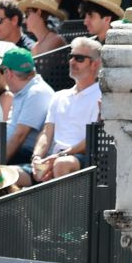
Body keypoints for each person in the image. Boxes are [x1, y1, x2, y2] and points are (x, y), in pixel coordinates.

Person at [30, 36, 101, 182]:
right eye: (71, 57)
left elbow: (92, 139)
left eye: (79, 58)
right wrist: (37, 158)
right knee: (9, 174)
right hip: (55, 158)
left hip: (84, 159)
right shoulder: (59, 96)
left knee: (61, 164)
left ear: (95, 64)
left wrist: (60, 156)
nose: (72, 62)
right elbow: (46, 133)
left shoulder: (101, 96)